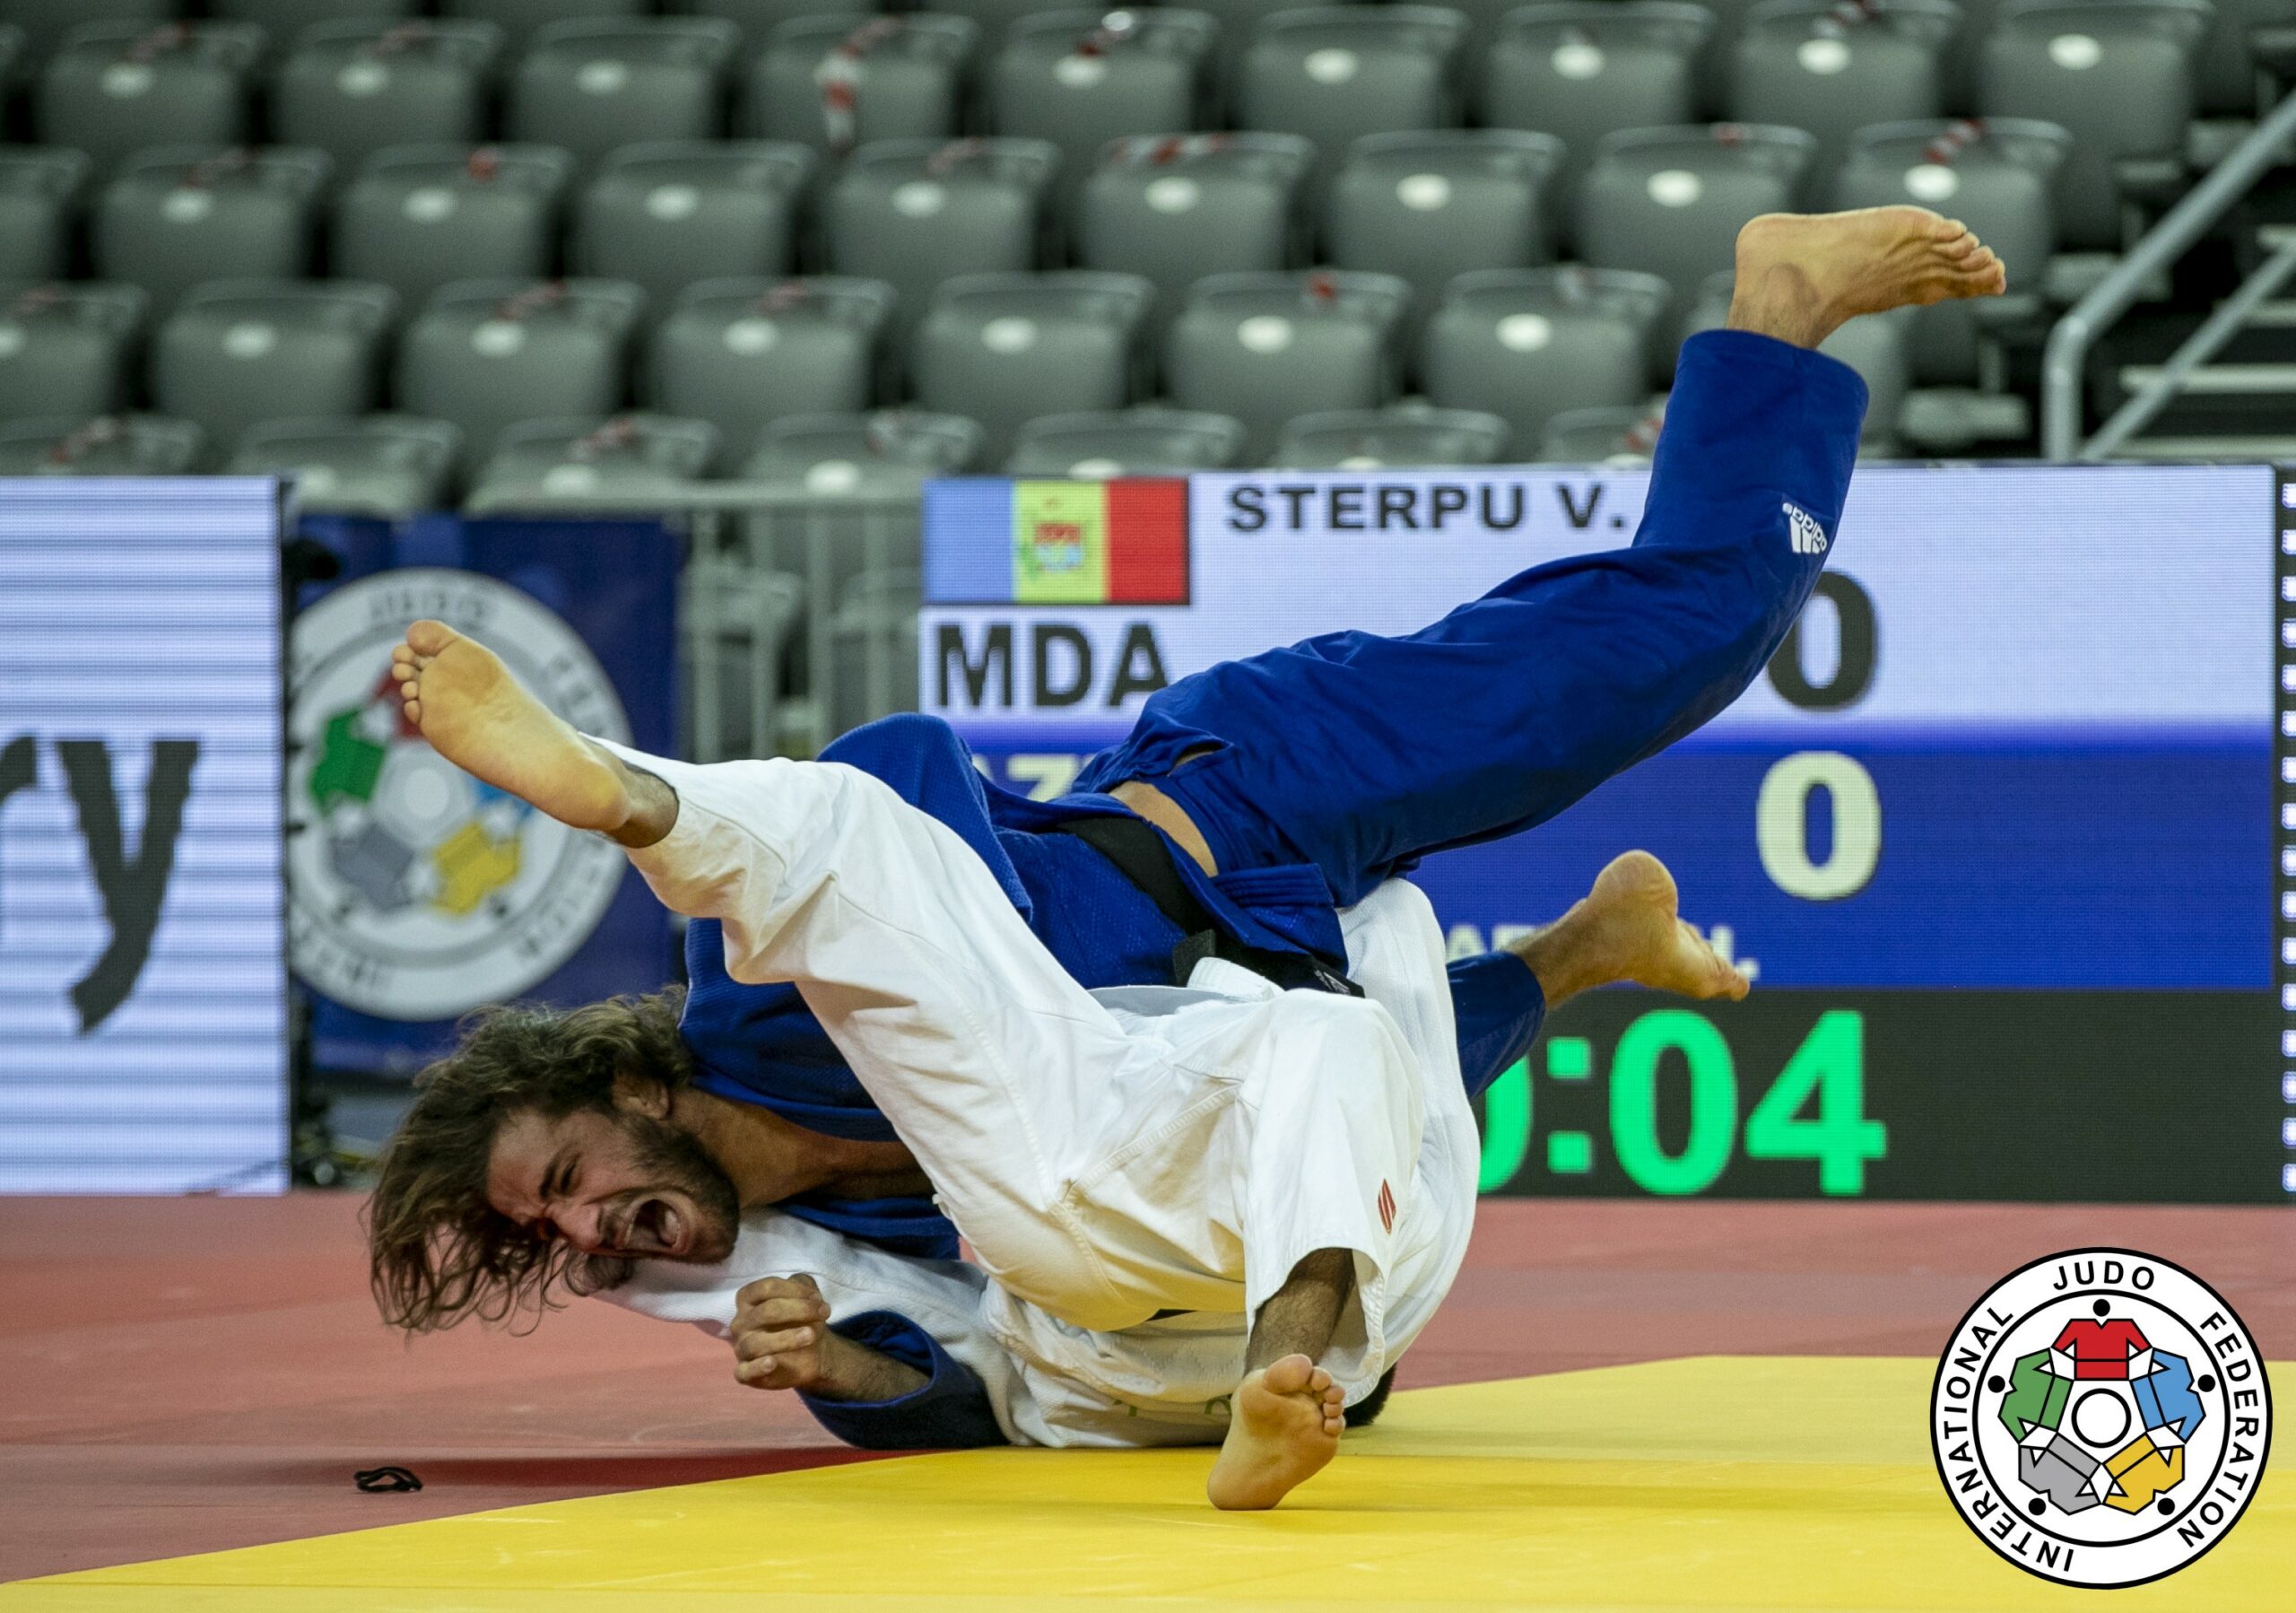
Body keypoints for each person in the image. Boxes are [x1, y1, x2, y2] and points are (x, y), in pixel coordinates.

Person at [369, 206, 2005, 1505]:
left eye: (567, 1183)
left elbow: (896, 764)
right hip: (1257, 968)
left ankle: (1776, 310)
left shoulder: (755, 992)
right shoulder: (827, 1239)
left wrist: (1015, 977)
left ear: (626, 1089)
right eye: (554, 1241)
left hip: (1246, 796)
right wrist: (833, 1370)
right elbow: (963, 1374)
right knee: (1328, 1088)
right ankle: (1582, 951)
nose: (591, 1234)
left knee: (1670, 650)